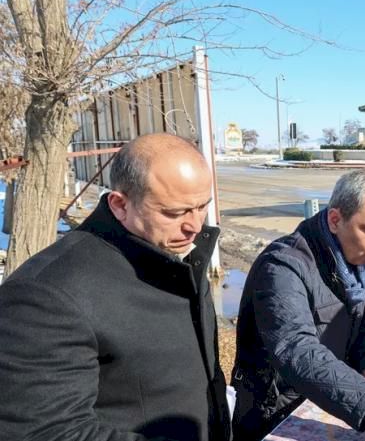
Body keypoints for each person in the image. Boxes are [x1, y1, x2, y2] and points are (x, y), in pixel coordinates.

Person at [0, 134, 230, 440]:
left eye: (202, 207)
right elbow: (44, 431)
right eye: (174, 213)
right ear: (120, 205)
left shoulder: (175, 254)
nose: (195, 226)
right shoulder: (43, 295)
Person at [231, 170, 365, 441]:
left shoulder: (354, 259)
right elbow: (297, 349)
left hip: (327, 407)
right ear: (335, 220)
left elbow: (362, 316)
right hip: (276, 416)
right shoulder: (282, 266)